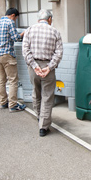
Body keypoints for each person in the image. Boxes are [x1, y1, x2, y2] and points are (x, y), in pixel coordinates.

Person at [23, 9, 63, 137]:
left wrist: (34, 66)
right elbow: (59, 52)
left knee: (36, 92)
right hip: (47, 68)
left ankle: (40, 118)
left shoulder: (29, 30)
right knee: (47, 95)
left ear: (38, 19)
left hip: (33, 67)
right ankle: (44, 127)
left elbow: (25, 50)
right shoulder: (55, 32)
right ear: (50, 19)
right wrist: (49, 67)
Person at [0, 8, 26, 112]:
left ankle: (3, 103)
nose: (15, 20)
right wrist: (24, 33)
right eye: (15, 18)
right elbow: (15, 38)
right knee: (13, 80)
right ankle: (13, 105)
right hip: (7, 55)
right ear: (12, 15)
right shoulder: (10, 22)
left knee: (1, 80)